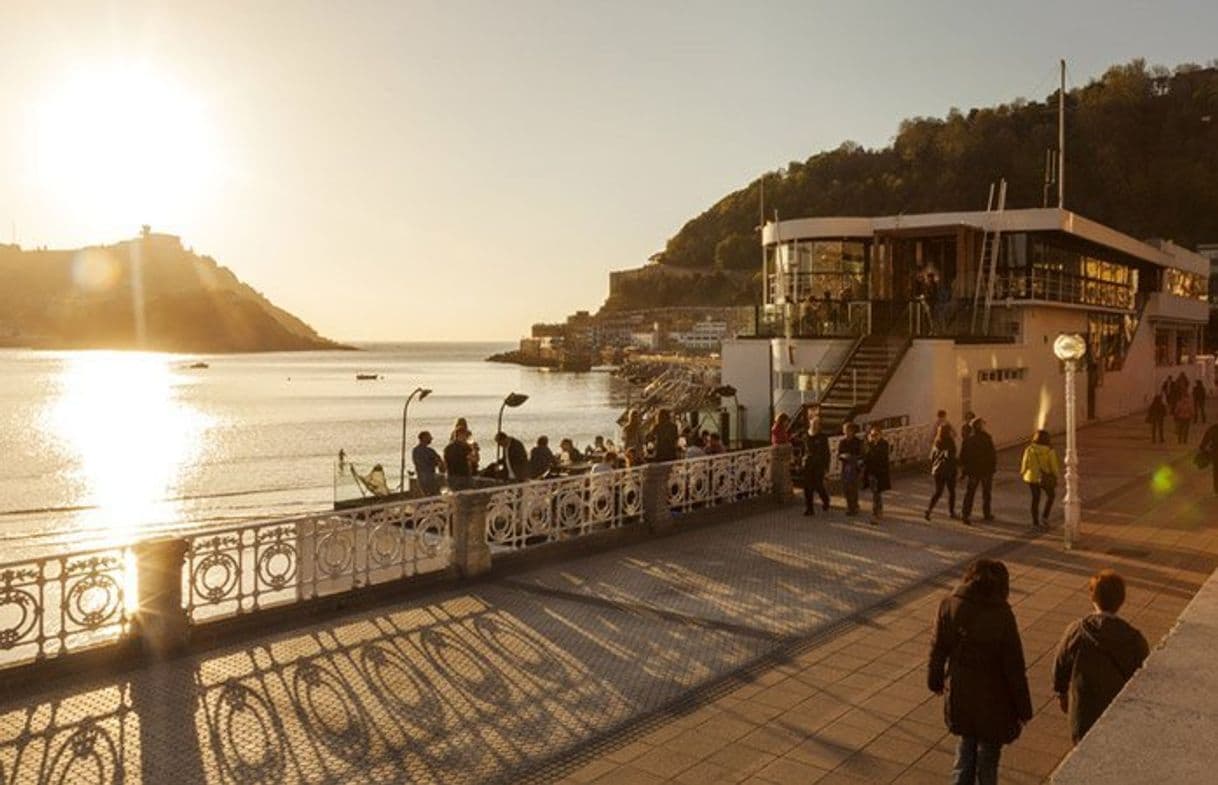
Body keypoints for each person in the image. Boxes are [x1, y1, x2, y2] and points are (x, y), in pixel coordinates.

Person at [928, 559, 1033, 785]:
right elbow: (1014, 668)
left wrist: (935, 681)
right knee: (988, 759)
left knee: (965, 748)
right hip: (994, 699)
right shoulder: (1002, 614)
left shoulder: (949, 604)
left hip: (961, 692)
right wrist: (1024, 709)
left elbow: (938, 650)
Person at [1052, 569, 1149, 746]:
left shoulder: (1077, 630)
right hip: (1118, 711)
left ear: (1093, 597)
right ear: (1121, 601)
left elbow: (1060, 663)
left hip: (1083, 711)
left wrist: (1061, 693)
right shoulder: (1134, 639)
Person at [1020, 430, 1060, 530]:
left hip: (1032, 478)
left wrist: (1023, 472)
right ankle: (1045, 517)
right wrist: (1056, 476)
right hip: (1045, 478)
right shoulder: (1049, 450)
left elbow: (1025, 463)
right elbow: (1053, 466)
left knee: (1035, 499)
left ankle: (1035, 522)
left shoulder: (1029, 449)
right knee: (1051, 496)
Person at [960, 418, 997, 525]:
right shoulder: (986, 438)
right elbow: (992, 455)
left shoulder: (968, 440)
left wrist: (965, 471)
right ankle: (986, 513)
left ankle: (965, 514)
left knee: (970, 493)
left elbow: (963, 457)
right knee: (986, 492)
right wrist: (992, 468)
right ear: (980, 426)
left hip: (973, 471)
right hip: (986, 470)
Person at [925, 423, 958, 521]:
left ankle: (929, 509)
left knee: (938, 491)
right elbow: (951, 456)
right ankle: (951, 512)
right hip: (949, 470)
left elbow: (932, 457)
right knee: (951, 491)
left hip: (938, 471)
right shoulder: (950, 442)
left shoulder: (937, 442)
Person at [862, 425, 891, 524]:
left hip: (880, 473)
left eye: (875, 435)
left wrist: (872, 445)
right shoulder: (869, 445)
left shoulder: (884, 444)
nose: (873, 437)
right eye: (872, 435)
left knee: (876, 493)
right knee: (876, 493)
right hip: (871, 472)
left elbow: (880, 457)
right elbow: (866, 457)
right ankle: (879, 511)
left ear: (880, 435)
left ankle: (876, 514)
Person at [802, 417, 831, 516]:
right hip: (808, 463)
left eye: (817, 424)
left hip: (819, 464)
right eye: (813, 423)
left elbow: (827, 452)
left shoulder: (822, 437)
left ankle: (825, 500)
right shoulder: (806, 435)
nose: (814, 426)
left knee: (818, 485)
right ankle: (809, 508)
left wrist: (826, 466)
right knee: (807, 487)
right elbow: (804, 449)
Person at [837, 422, 863, 516]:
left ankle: (854, 506)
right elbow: (839, 455)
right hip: (845, 466)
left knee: (853, 487)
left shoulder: (858, 441)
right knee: (846, 488)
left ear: (852, 431)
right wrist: (843, 456)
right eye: (845, 430)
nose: (846, 432)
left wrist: (854, 458)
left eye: (847, 430)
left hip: (854, 466)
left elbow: (861, 455)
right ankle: (849, 505)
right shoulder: (842, 442)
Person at [411, 431, 445, 496]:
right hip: (430, 477)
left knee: (426, 496)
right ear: (424, 438)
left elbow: (416, 463)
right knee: (434, 495)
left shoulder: (415, 450)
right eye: (429, 438)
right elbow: (439, 462)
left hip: (420, 477)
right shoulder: (430, 451)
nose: (431, 439)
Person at [443, 427, 473, 491]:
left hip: (451, 476)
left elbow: (445, 463)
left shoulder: (448, 448)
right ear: (461, 435)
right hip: (463, 476)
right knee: (466, 494)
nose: (467, 438)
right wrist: (474, 449)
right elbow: (473, 459)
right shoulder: (465, 447)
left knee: (457, 494)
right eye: (466, 436)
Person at [1199, 423, 1218, 494]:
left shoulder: (1214, 428)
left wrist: (1202, 447)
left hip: (1216, 454)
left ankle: (1217, 489)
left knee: (1216, 472)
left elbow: (1206, 438)